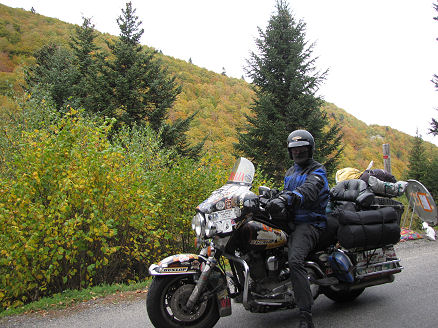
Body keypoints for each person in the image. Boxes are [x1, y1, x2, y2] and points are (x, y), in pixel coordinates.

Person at [266, 129, 329, 328]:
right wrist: (273, 197)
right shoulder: (291, 172)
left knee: (295, 260)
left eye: (302, 148)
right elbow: (287, 190)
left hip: (310, 222)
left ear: (310, 150)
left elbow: (308, 191)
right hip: (291, 221)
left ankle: (305, 315)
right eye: (294, 149)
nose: (298, 152)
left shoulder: (318, 170)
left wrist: (289, 197)